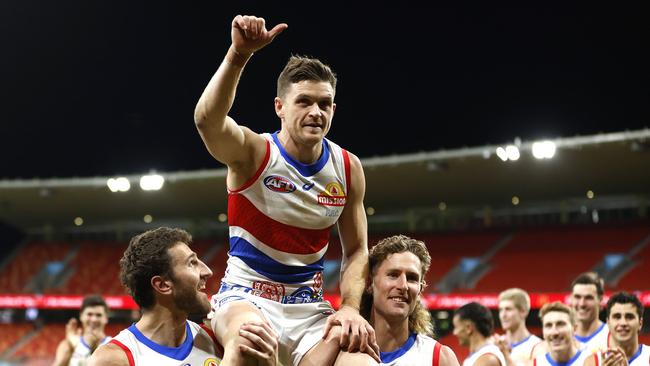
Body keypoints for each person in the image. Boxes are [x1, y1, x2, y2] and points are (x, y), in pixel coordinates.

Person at [194, 14, 378, 366]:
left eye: (324, 104)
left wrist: (351, 309)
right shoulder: (255, 154)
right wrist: (238, 55)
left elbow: (356, 250)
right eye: (304, 101)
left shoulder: (348, 167)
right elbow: (207, 121)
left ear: (334, 109)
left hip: (309, 306)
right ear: (279, 107)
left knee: (363, 361)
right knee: (251, 342)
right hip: (247, 298)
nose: (316, 112)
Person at [88, 227, 278, 365]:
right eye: (192, 263)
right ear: (163, 285)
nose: (208, 271)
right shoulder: (113, 359)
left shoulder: (217, 339)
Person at [358, 235, 459, 366]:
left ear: (420, 289)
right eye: (393, 275)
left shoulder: (439, 358)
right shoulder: (342, 351)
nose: (403, 285)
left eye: (412, 278)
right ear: (370, 283)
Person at [583, 292, 649, 366]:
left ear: (640, 323)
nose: (623, 323)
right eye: (617, 317)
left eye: (629, 317)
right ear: (608, 323)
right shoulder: (594, 362)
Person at [53, 294, 111, 366]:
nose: (94, 319)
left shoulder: (113, 345)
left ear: (106, 318)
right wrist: (69, 351)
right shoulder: (68, 344)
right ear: (81, 316)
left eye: (98, 315)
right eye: (89, 314)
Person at [532, 302, 593, 366]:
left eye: (560, 324)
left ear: (574, 329)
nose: (554, 332)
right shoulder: (534, 364)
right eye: (548, 325)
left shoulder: (592, 362)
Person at [496, 288, 542, 366]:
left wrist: (506, 356)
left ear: (523, 312)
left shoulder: (537, 346)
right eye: (500, 310)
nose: (503, 315)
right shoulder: (496, 345)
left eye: (508, 309)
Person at [453, 302, 506, 366]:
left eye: (456, 327)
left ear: (468, 328)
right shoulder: (478, 356)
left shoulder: (488, 359)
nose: (454, 332)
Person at [570, 272, 609, 352]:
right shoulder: (562, 338)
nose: (582, 304)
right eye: (577, 297)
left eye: (588, 298)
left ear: (600, 300)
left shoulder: (611, 337)